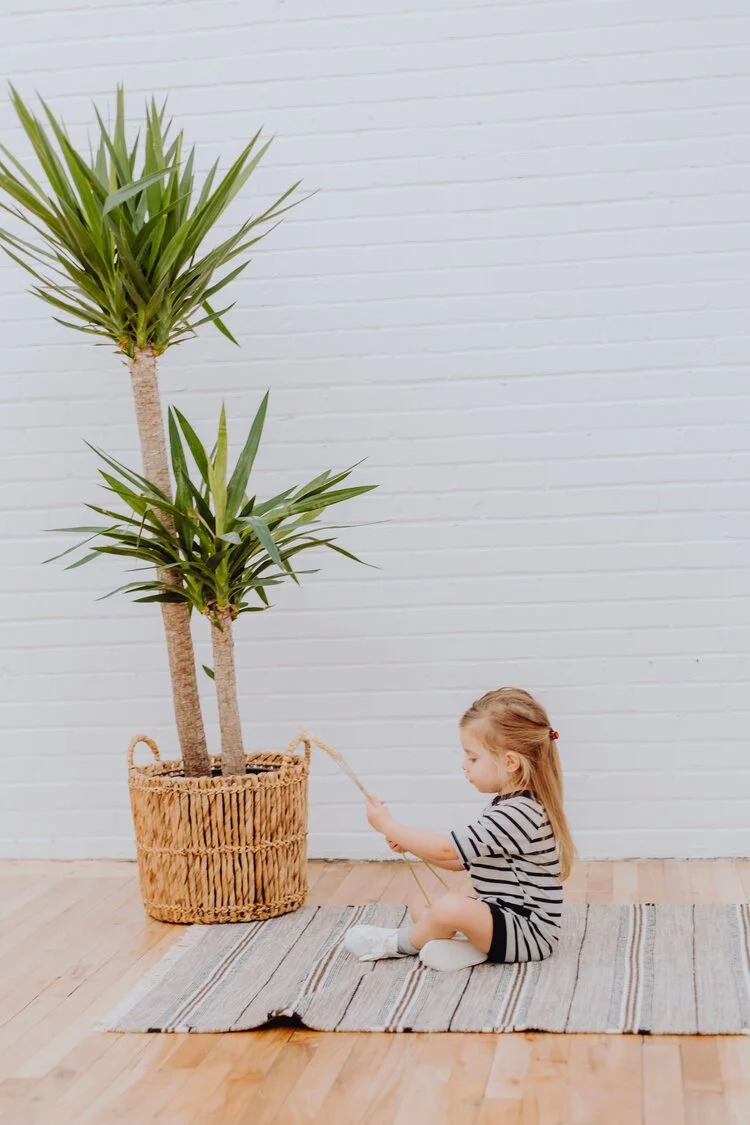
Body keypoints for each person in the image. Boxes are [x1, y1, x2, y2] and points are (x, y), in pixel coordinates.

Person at [343, 686, 576, 972]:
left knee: (449, 908)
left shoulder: (518, 812)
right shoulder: (506, 806)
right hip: (504, 919)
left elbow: (445, 847)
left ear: (510, 762)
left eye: (473, 758)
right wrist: (411, 845)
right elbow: (457, 861)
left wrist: (389, 825)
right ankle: (468, 948)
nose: (464, 765)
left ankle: (397, 943)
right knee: (424, 903)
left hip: (529, 934)